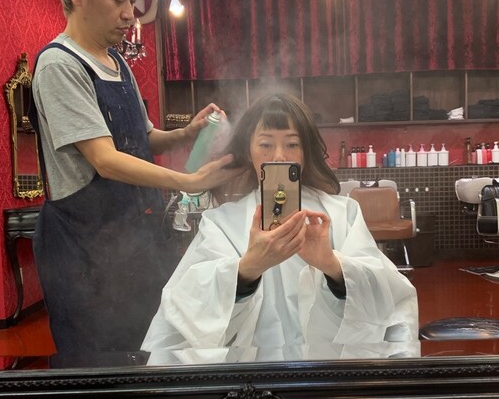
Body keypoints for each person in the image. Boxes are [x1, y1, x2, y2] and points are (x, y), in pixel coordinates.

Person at [30, 0, 242, 363]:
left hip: (136, 238)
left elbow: (142, 139)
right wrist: (188, 181)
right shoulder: (60, 65)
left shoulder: (116, 63)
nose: (131, 14)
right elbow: (105, 160)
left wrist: (185, 133)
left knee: (148, 349)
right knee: (100, 365)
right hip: (87, 248)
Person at [142, 94, 419, 364]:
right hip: (254, 378)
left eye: (292, 144)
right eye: (265, 144)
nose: (278, 155)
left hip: (329, 373)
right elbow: (185, 307)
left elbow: (389, 297)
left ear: (306, 151)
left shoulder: (341, 213)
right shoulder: (222, 222)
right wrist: (246, 271)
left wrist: (333, 267)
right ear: (248, 151)